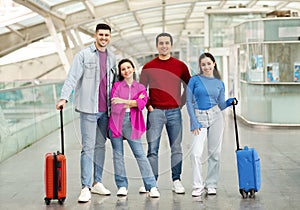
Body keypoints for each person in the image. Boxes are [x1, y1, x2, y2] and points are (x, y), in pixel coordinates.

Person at [56, 23, 117, 203]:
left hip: (106, 110)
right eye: (101, 34)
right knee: (88, 147)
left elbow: (114, 83)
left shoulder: (113, 57)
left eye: (107, 35)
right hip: (89, 109)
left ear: (110, 37)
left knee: (100, 146)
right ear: (95, 35)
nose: (104, 38)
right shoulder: (83, 55)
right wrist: (63, 98)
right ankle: (85, 186)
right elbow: (72, 77)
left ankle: (97, 182)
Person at [139, 32, 191, 194]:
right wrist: (148, 106)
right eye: (161, 43)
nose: (164, 46)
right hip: (155, 112)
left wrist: (180, 103)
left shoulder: (180, 66)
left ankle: (176, 180)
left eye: (167, 43)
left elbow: (189, 86)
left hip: (174, 112)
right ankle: (151, 182)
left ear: (171, 45)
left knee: (176, 147)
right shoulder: (148, 67)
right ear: (157, 46)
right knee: (152, 149)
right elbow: (141, 90)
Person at [186, 52, 237, 197]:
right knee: (195, 153)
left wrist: (229, 102)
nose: (206, 67)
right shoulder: (194, 80)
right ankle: (197, 185)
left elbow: (220, 104)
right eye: (203, 64)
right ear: (200, 66)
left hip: (216, 117)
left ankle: (211, 184)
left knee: (215, 153)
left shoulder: (220, 83)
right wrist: (193, 121)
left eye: (209, 63)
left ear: (214, 64)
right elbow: (188, 101)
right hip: (199, 117)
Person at [108, 58, 160, 198]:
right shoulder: (117, 86)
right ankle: (122, 185)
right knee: (118, 156)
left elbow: (142, 103)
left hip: (133, 122)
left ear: (133, 69)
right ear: (121, 72)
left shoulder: (140, 87)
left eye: (128, 67)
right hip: (116, 122)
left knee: (140, 154)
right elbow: (115, 104)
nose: (126, 71)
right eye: (123, 69)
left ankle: (152, 186)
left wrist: (125, 101)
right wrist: (133, 103)